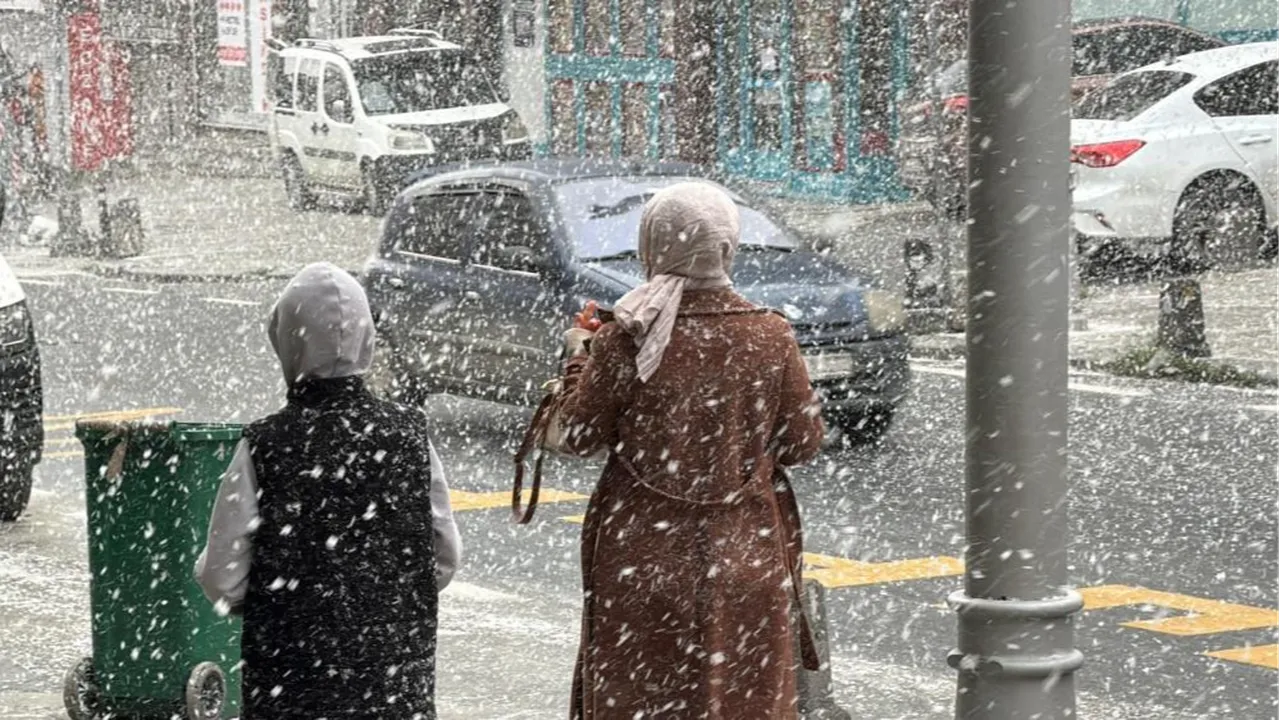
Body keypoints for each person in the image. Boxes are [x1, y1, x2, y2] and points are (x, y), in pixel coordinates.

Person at [550, 182, 825, 719]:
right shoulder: (771, 334)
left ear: (651, 246)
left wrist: (578, 361)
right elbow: (802, 442)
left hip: (639, 558)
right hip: (746, 553)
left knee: (640, 697)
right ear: (727, 246)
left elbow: (579, 437)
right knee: (740, 698)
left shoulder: (626, 336)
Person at [195, 262, 461, 720]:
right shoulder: (410, 436)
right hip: (393, 681)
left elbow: (222, 572)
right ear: (368, 339)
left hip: (291, 679)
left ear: (285, 339)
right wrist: (387, 607)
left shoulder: (265, 445)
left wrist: (274, 605)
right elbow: (444, 555)